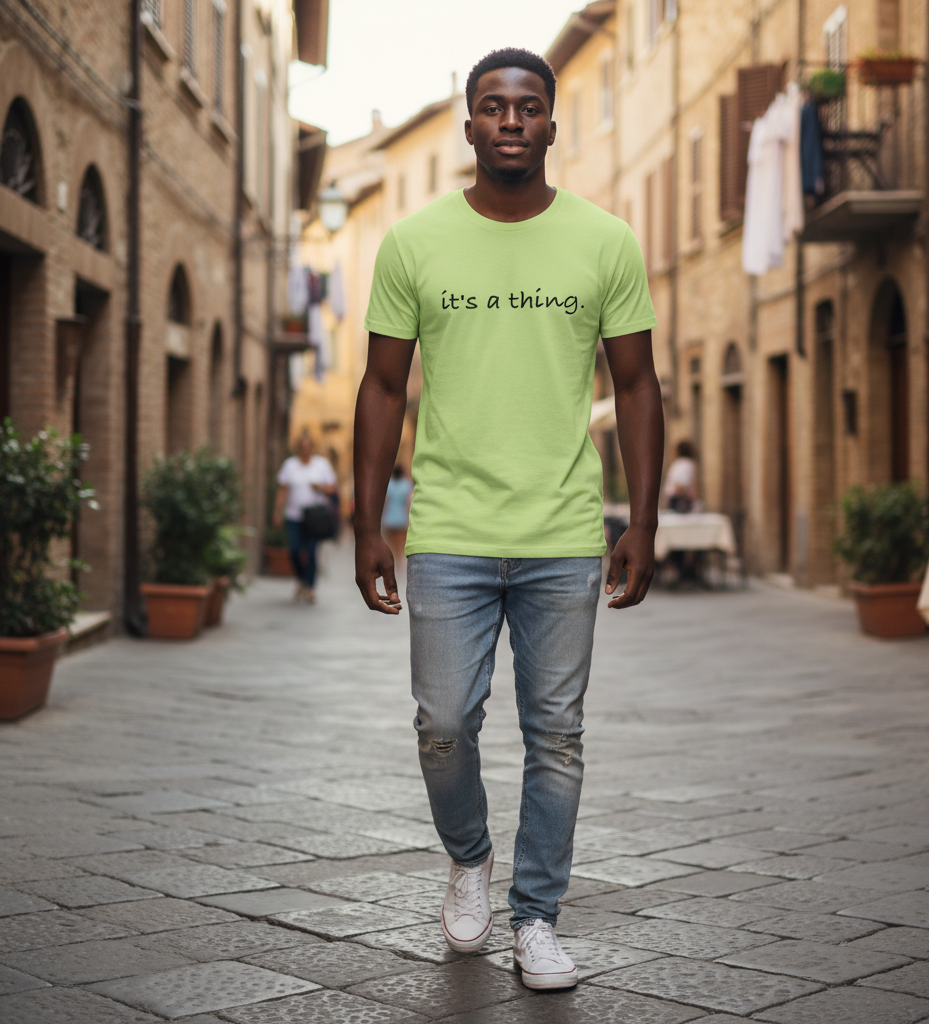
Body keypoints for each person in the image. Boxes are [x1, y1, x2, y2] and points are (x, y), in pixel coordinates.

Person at [352, 48, 662, 991]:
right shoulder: (414, 242)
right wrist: (369, 523)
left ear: (552, 126)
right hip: (447, 527)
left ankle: (536, 918)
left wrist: (639, 519)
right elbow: (380, 386)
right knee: (443, 723)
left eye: (529, 107)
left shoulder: (605, 241)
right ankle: (471, 856)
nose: (512, 121)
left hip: (564, 531)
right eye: (493, 107)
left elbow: (639, 384)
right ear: (472, 127)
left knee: (556, 736)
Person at [272, 432, 337, 603]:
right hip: (294, 516)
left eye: (308, 447)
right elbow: (282, 489)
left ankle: (310, 587)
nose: (306, 450)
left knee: (311, 552)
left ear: (312, 448)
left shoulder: (321, 465)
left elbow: (331, 489)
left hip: (314, 518)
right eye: (302, 447)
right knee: (294, 550)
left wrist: (320, 488)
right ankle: (301, 579)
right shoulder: (290, 465)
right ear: (298, 449)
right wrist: (277, 512)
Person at [382, 465, 413, 562]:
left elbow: (385, 502)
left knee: (390, 541)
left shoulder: (389, 484)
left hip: (389, 516)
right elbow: (408, 503)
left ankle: (392, 559)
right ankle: (399, 559)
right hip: (402, 517)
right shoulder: (407, 484)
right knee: (400, 541)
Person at [664, 440, 699, 513]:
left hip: (679, 500)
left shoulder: (683, 464)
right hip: (678, 498)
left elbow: (681, 484)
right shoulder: (684, 463)